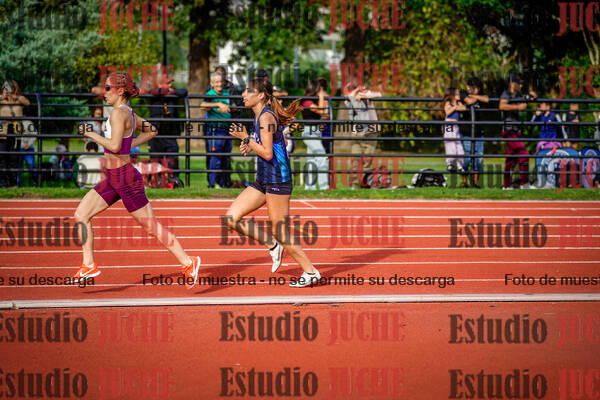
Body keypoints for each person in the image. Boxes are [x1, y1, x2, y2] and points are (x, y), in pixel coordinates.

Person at [73, 72, 201, 287]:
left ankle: (189, 262)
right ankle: (89, 265)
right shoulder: (128, 113)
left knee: (151, 226)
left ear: (120, 90)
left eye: (107, 88)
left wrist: (91, 134)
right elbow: (152, 130)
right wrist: (129, 145)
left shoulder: (118, 113)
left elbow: (115, 146)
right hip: (113, 178)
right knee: (81, 214)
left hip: (125, 178)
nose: (104, 92)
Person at [226, 77, 321, 288]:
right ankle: (273, 245)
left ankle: (311, 272)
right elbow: (280, 142)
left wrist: (246, 139)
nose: (243, 94)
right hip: (264, 179)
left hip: (278, 178)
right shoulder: (260, 115)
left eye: (248, 90)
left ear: (261, 95)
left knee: (281, 231)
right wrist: (251, 143)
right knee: (231, 217)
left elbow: (268, 154)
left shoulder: (266, 117)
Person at [498, 74, 538, 190]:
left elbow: (530, 97)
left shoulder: (519, 95)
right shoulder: (506, 94)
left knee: (511, 159)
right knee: (524, 154)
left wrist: (532, 95)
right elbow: (502, 106)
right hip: (509, 131)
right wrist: (517, 107)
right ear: (512, 84)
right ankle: (524, 183)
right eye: (518, 83)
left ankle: (506, 185)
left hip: (517, 131)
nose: (521, 86)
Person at [344, 83, 382, 189]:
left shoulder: (366, 96)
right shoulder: (349, 100)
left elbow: (379, 94)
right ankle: (354, 184)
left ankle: (365, 184)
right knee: (355, 159)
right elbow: (348, 98)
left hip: (371, 132)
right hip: (357, 133)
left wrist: (364, 95)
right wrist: (355, 93)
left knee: (367, 160)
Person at [148, 76, 188, 179]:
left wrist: (171, 91)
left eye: (170, 83)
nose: (170, 85)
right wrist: (165, 91)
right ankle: (156, 180)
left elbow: (184, 92)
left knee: (173, 157)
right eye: (167, 83)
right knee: (155, 158)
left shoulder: (173, 93)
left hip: (170, 133)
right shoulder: (154, 92)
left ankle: (173, 179)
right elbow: (153, 92)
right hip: (156, 133)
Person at [201, 71, 233, 188]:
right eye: (216, 82)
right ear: (212, 83)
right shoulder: (209, 94)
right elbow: (202, 106)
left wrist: (229, 108)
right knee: (216, 156)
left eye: (221, 81)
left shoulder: (226, 92)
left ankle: (222, 183)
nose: (219, 84)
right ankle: (212, 183)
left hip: (227, 129)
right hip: (215, 129)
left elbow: (232, 105)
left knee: (226, 157)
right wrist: (218, 104)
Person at [0, 79, 30, 187]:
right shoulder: (1, 100)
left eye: (9, 88)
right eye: (5, 88)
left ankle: (12, 183)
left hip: (16, 130)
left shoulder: (19, 99)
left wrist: (14, 96)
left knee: (14, 157)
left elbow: (27, 103)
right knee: (2, 156)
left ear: (14, 88)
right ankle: (3, 183)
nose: (7, 90)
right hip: (3, 129)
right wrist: (3, 97)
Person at [460, 77, 489, 188]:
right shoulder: (463, 92)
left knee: (478, 159)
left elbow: (487, 99)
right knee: (466, 159)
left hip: (479, 133)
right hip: (467, 132)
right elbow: (468, 101)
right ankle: (464, 183)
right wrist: (474, 97)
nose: (475, 89)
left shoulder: (480, 95)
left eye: (477, 88)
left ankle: (475, 184)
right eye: (472, 87)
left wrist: (474, 96)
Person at [301, 80, 329, 190]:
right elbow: (321, 111)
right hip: (309, 132)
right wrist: (321, 97)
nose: (320, 91)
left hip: (316, 131)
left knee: (311, 159)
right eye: (319, 89)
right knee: (322, 157)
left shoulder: (313, 100)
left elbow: (323, 113)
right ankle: (324, 186)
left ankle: (309, 187)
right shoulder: (306, 101)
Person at [442, 87, 466, 176]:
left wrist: (455, 106)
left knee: (458, 145)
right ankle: (450, 164)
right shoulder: (448, 102)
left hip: (455, 125)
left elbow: (464, 108)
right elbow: (447, 112)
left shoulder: (458, 103)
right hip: (449, 124)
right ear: (452, 95)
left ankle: (459, 165)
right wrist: (455, 107)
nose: (459, 95)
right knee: (450, 144)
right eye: (457, 94)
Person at [17, 119, 37, 186]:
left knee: (31, 165)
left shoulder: (28, 123)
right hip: (17, 148)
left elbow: (34, 134)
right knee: (17, 166)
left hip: (28, 148)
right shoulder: (13, 122)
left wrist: (29, 144)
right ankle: (16, 184)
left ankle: (37, 181)